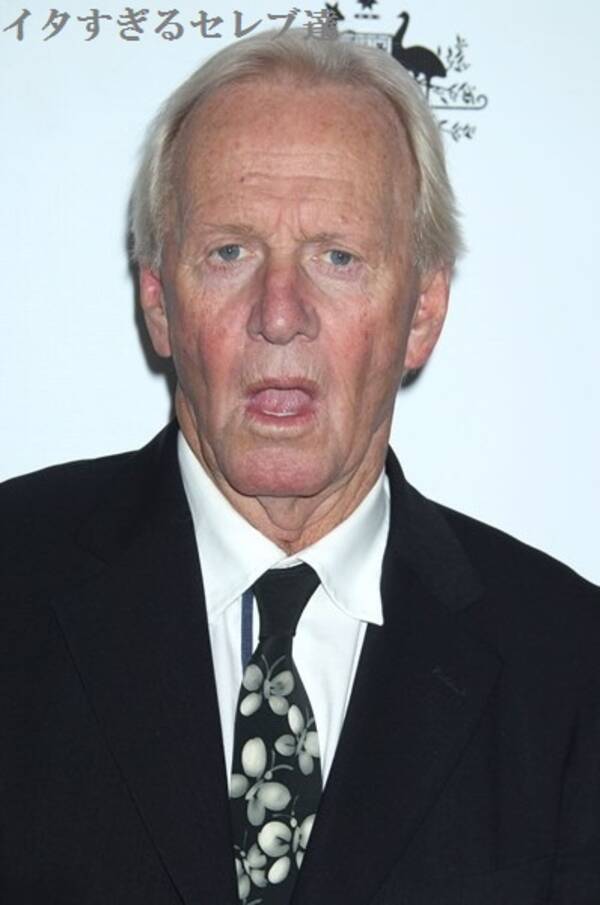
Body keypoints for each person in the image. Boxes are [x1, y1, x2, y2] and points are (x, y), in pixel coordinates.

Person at [1, 28, 599, 905]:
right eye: (230, 252)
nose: (280, 315)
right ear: (159, 300)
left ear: (423, 310)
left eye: (338, 257)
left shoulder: (571, 664)